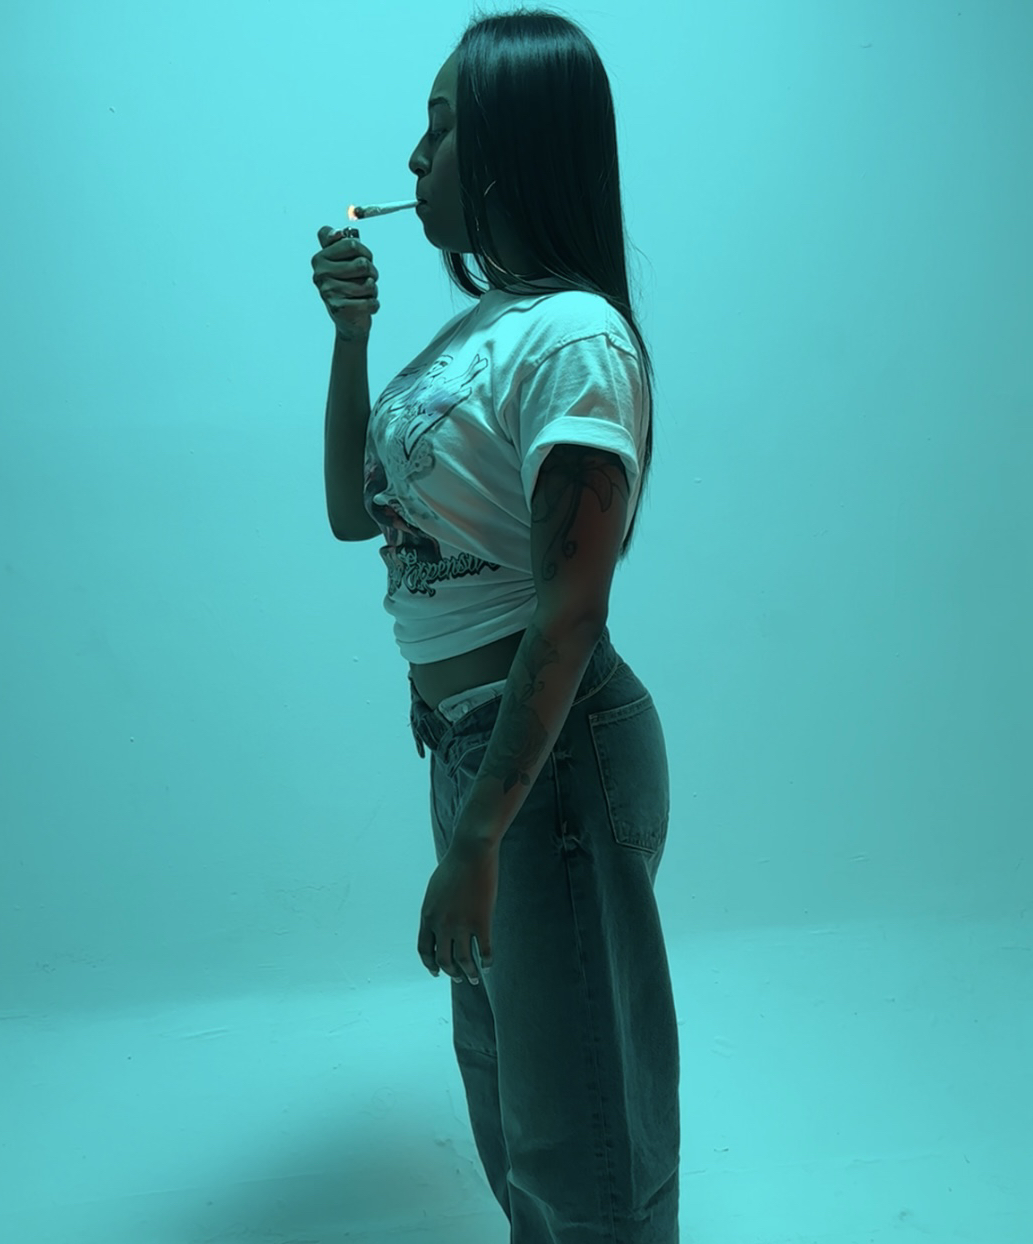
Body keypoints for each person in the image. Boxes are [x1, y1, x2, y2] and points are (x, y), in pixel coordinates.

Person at [315, 14, 680, 1242]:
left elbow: (572, 608)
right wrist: (353, 340)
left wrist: (481, 832)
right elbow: (351, 514)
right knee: (517, 1117)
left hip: (549, 762)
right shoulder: (481, 330)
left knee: (584, 1144)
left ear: (515, 142)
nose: (415, 160)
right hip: (473, 753)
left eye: (441, 128)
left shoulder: (574, 338)